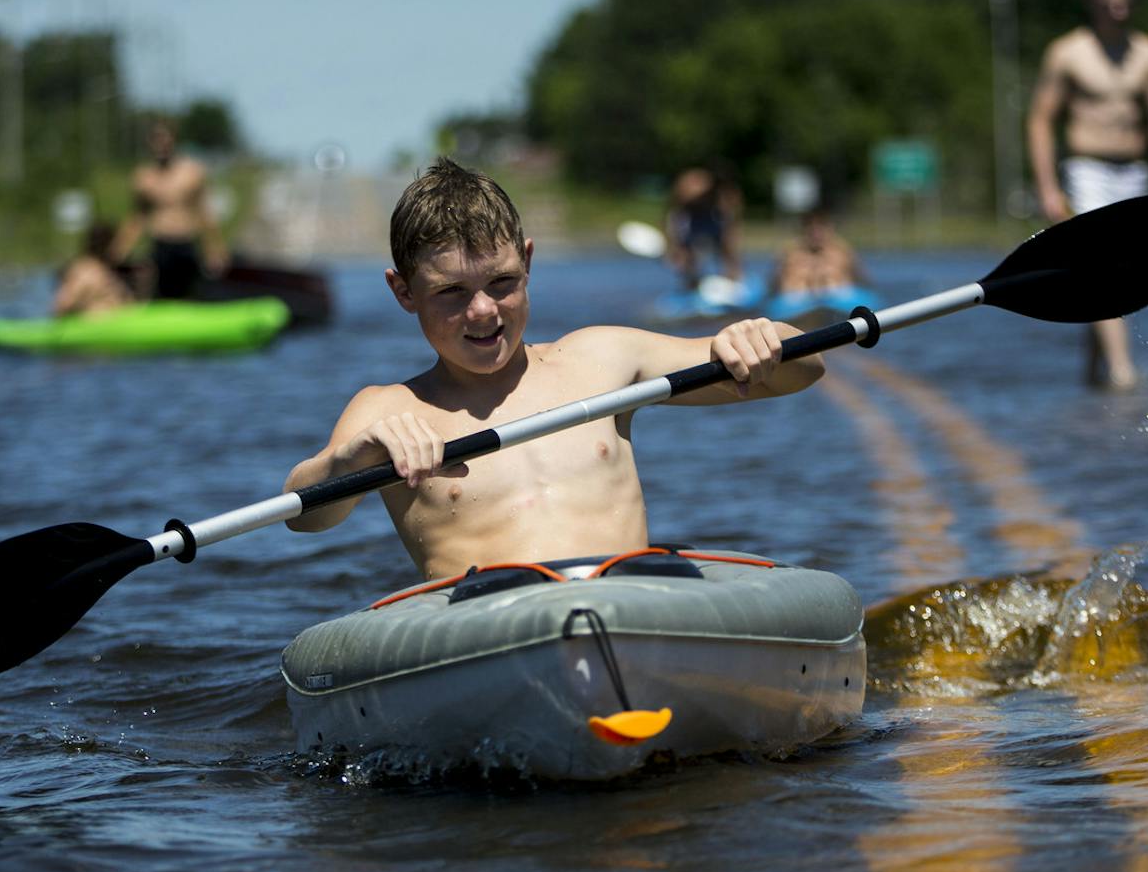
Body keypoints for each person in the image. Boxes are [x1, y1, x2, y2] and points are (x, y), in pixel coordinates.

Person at [285, 158, 824, 581]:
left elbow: (804, 371)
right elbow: (305, 514)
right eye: (451, 292)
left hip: (628, 609)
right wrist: (349, 459)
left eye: (501, 283)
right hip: (488, 632)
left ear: (528, 262)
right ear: (403, 291)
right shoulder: (388, 410)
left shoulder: (601, 358)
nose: (482, 311)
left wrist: (761, 337)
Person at [1026, 0, 1148, 389]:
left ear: (1133, 1)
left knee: (1117, 278)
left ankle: (1092, 374)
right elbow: (1041, 120)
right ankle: (1123, 373)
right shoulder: (1067, 53)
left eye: (1123, 0)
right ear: (1092, 1)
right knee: (1101, 269)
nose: (1115, 8)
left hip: (1133, 172)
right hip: (1086, 171)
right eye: (1106, 0)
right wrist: (1047, 187)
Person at [114, 120, 229, 300]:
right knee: (159, 294)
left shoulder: (192, 172)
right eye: (156, 140)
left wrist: (215, 248)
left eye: (165, 139)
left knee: (192, 294)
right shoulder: (144, 178)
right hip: (160, 244)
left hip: (186, 243)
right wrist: (119, 249)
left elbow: (204, 213)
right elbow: (137, 218)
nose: (161, 145)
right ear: (150, 143)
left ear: (174, 140)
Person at [662, 166, 744, 289]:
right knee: (686, 256)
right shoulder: (687, 186)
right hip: (692, 219)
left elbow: (731, 226)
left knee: (728, 249)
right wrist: (673, 247)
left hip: (714, 219)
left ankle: (734, 281)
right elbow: (673, 215)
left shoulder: (726, 196)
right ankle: (691, 284)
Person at [772, 209, 864, 298]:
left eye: (821, 227)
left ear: (830, 229)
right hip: (796, 301)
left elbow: (862, 280)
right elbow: (774, 284)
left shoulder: (843, 251)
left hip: (838, 300)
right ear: (803, 229)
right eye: (811, 227)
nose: (816, 232)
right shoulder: (789, 252)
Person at [52, 222, 136, 316]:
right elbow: (62, 305)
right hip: (95, 327)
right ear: (108, 245)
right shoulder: (86, 271)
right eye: (117, 243)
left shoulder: (106, 268)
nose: (120, 247)